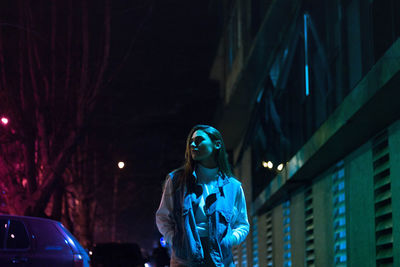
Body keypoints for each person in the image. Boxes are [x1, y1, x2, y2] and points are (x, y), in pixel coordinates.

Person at [156, 125, 249, 267]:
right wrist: (176, 239)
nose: (193, 144)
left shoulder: (233, 187)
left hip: (221, 260)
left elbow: (242, 224)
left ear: (217, 144)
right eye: (191, 142)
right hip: (184, 260)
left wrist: (229, 240)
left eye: (199, 140)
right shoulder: (176, 180)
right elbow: (162, 217)